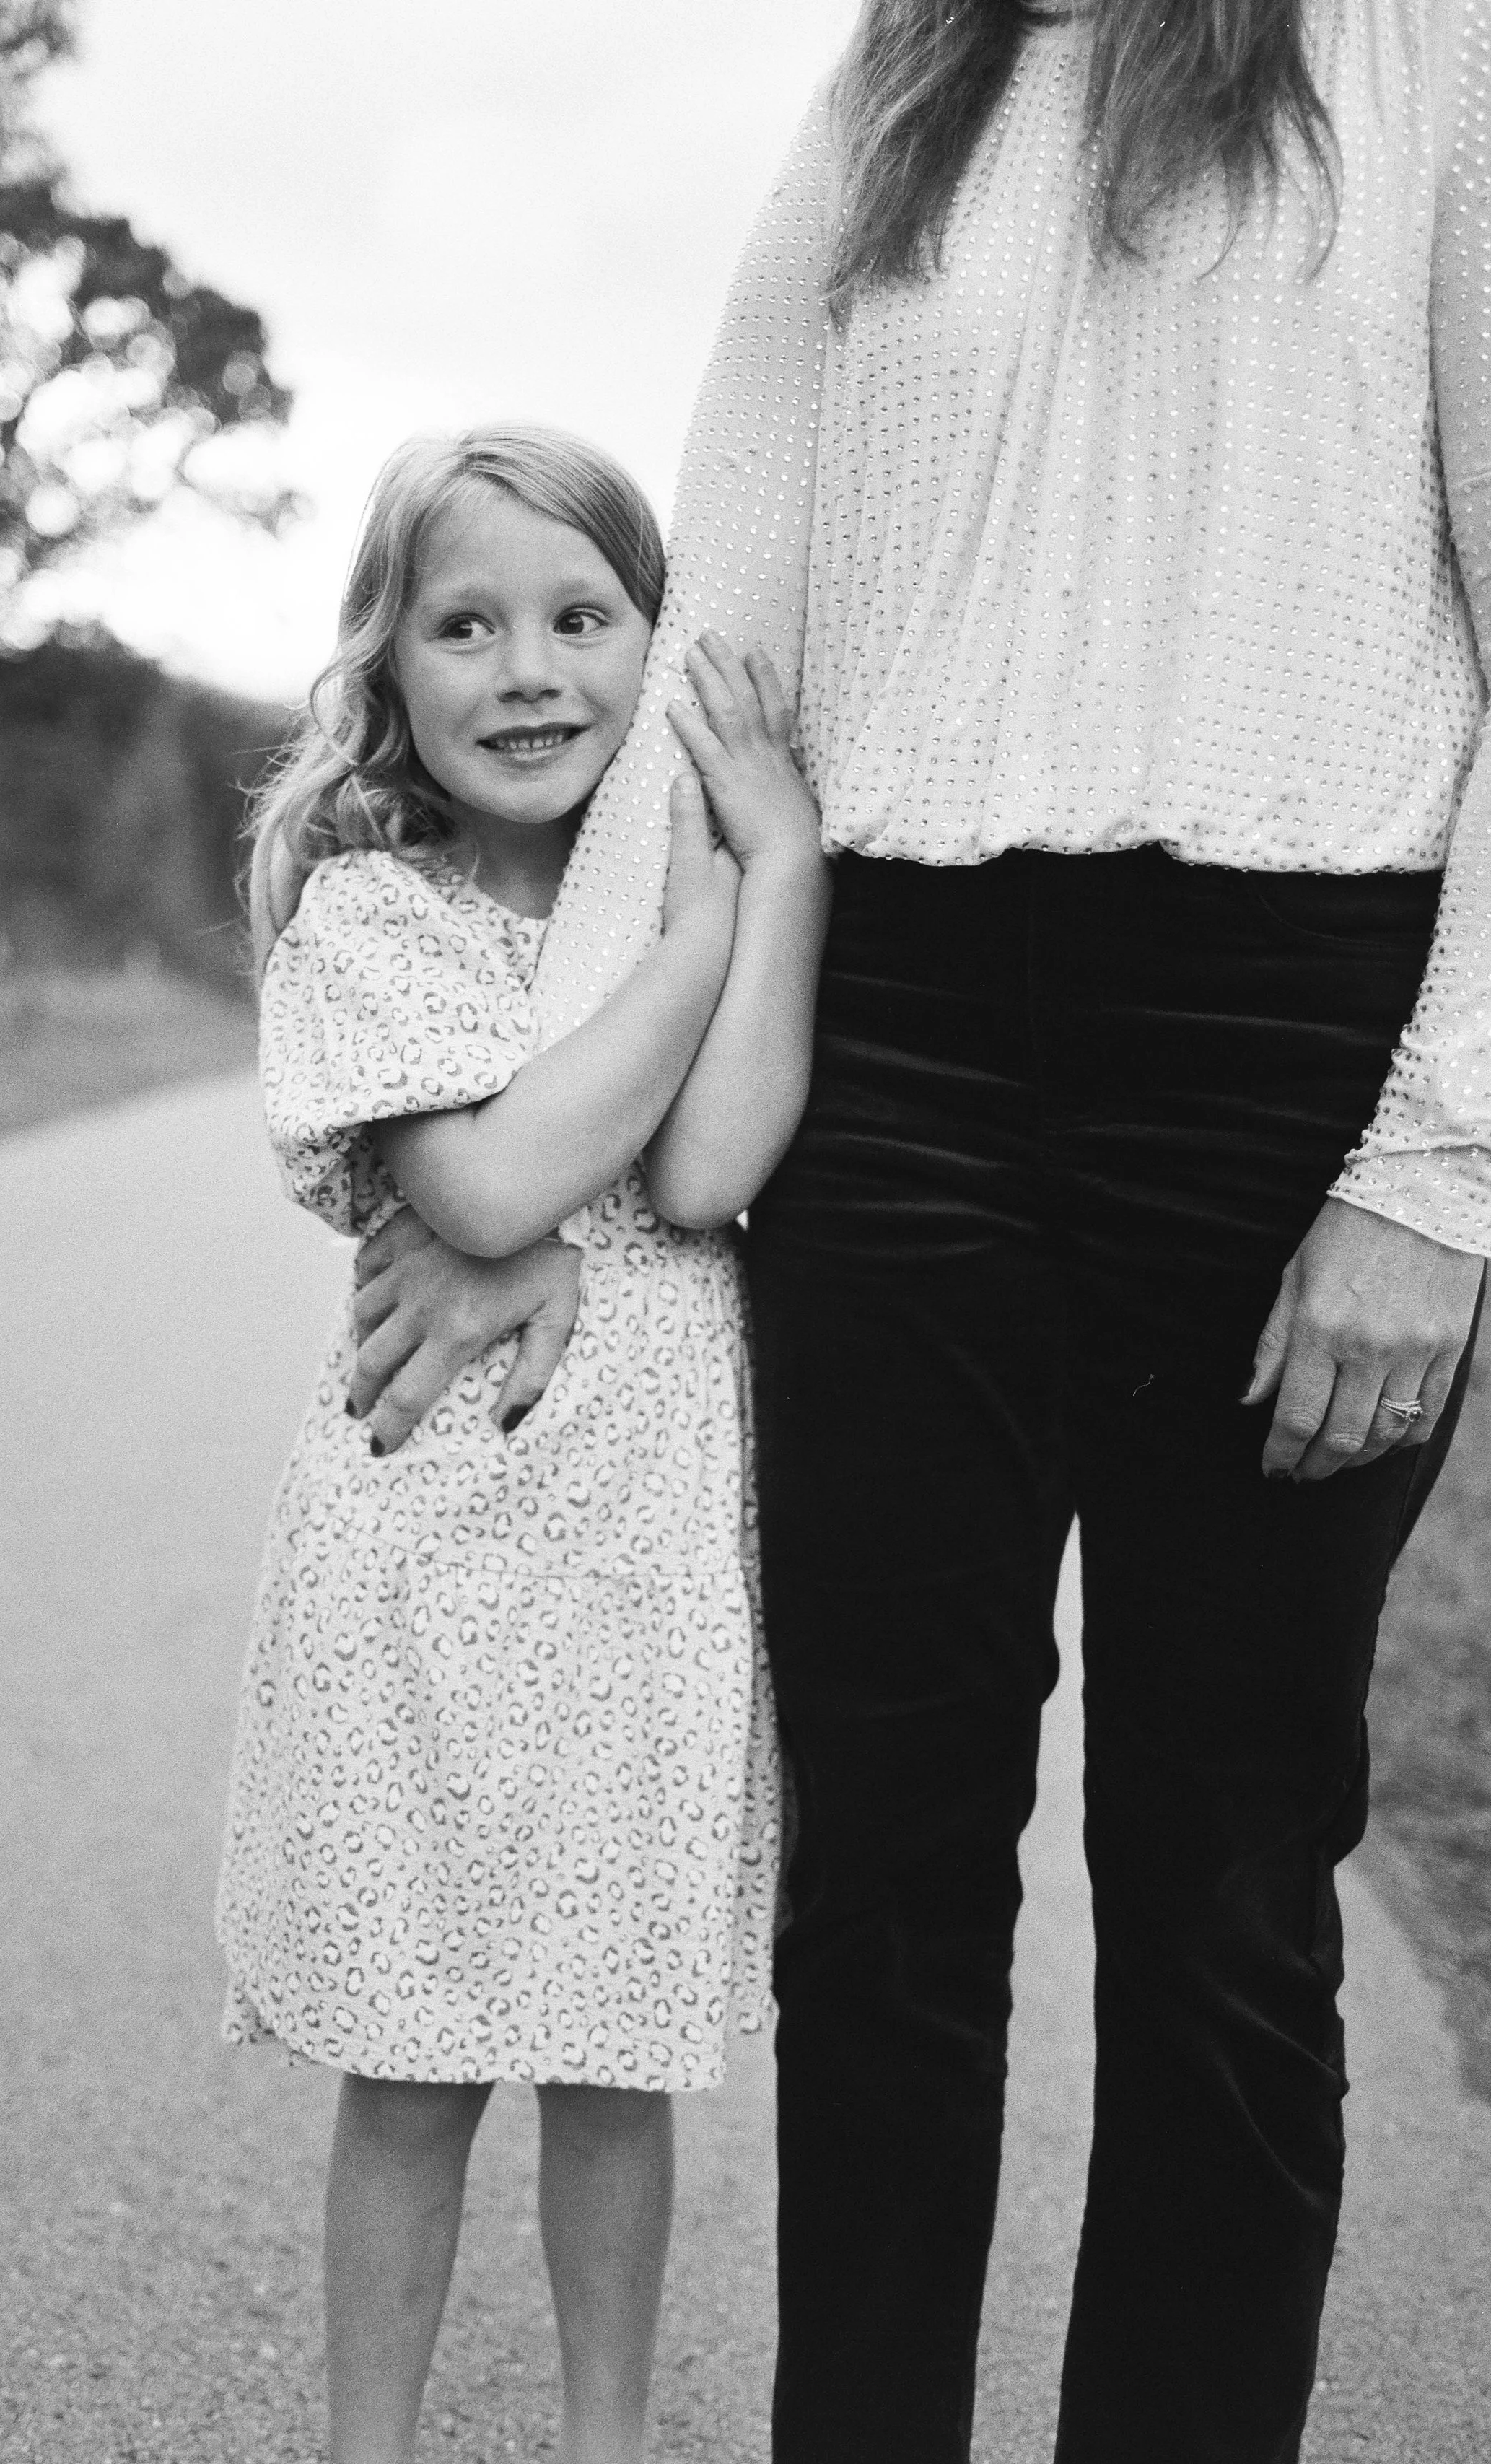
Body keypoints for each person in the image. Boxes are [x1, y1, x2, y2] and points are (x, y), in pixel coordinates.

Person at [347, 6, 1491, 2458]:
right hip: (899, 1033)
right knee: (877, 1884)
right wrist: (532, 1159)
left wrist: (1438, 1164)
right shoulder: (902, 67)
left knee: (1216, 1879)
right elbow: (725, 634)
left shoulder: (1435, 54)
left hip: (1285, 1041)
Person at [215, 424, 828, 2464]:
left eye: (582, 616)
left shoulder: (696, 874)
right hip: (430, 1548)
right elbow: (483, 1195)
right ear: (386, 670)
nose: (530, 669)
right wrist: (686, 953)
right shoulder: (367, 918)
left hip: (644, 1553)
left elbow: (715, 1154)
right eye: (464, 626)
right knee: (406, 2055)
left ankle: (603, 2435)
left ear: (655, 639)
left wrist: (776, 873)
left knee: (604, 2044)